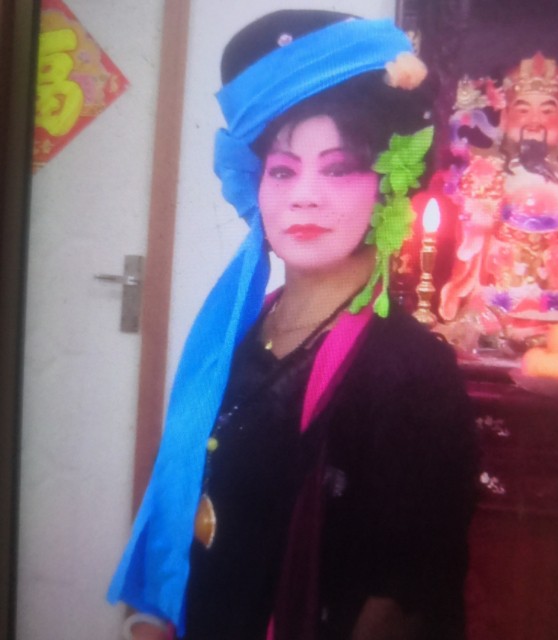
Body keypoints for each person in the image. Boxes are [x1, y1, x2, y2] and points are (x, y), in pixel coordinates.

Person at [109, 11, 478, 640]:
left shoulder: (410, 374)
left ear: (388, 185)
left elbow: (402, 599)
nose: (304, 195)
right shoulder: (242, 332)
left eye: (337, 168)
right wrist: (156, 618)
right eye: (282, 170)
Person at [439, 53, 558, 344]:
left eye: (547, 111)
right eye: (523, 109)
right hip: (502, 283)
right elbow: (475, 233)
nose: (535, 122)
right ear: (506, 116)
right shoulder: (488, 167)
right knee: (490, 311)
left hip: (555, 285)